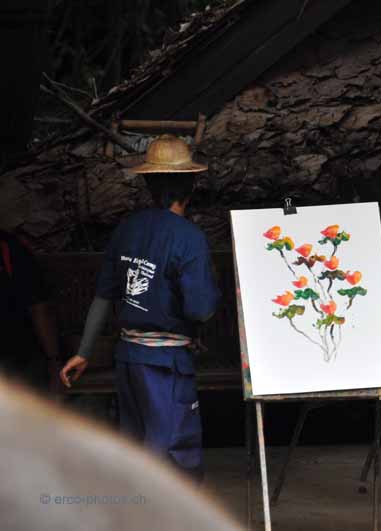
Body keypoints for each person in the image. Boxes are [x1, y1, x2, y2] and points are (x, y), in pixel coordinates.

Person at [60, 134, 220, 482]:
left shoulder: (126, 229)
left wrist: (83, 352)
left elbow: (103, 296)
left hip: (129, 361)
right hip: (166, 366)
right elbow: (200, 310)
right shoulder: (189, 238)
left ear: (148, 184)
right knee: (174, 458)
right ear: (191, 185)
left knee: (137, 450)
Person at [0, 230, 59, 390]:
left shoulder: (10, 248)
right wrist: (53, 361)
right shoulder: (11, 247)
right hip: (18, 356)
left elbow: (40, 309)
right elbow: (39, 309)